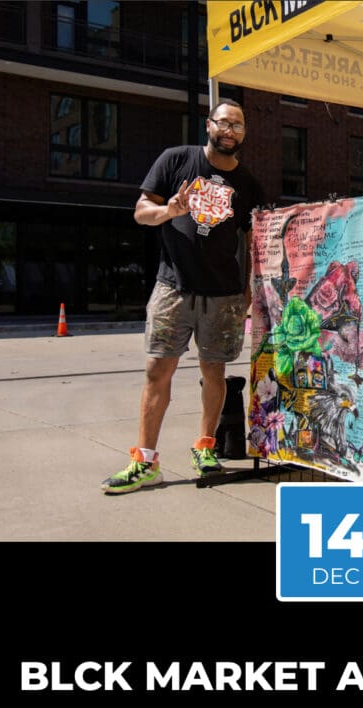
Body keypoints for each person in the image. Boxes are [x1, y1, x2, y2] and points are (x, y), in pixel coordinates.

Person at [102, 98, 264, 493]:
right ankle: (144, 460)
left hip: (224, 295)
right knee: (158, 370)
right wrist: (169, 210)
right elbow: (141, 212)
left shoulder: (248, 185)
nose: (230, 131)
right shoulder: (176, 161)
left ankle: (205, 447)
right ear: (209, 126)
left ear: (243, 133)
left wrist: (247, 290)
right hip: (173, 287)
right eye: (223, 123)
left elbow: (252, 242)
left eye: (237, 125)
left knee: (215, 371)